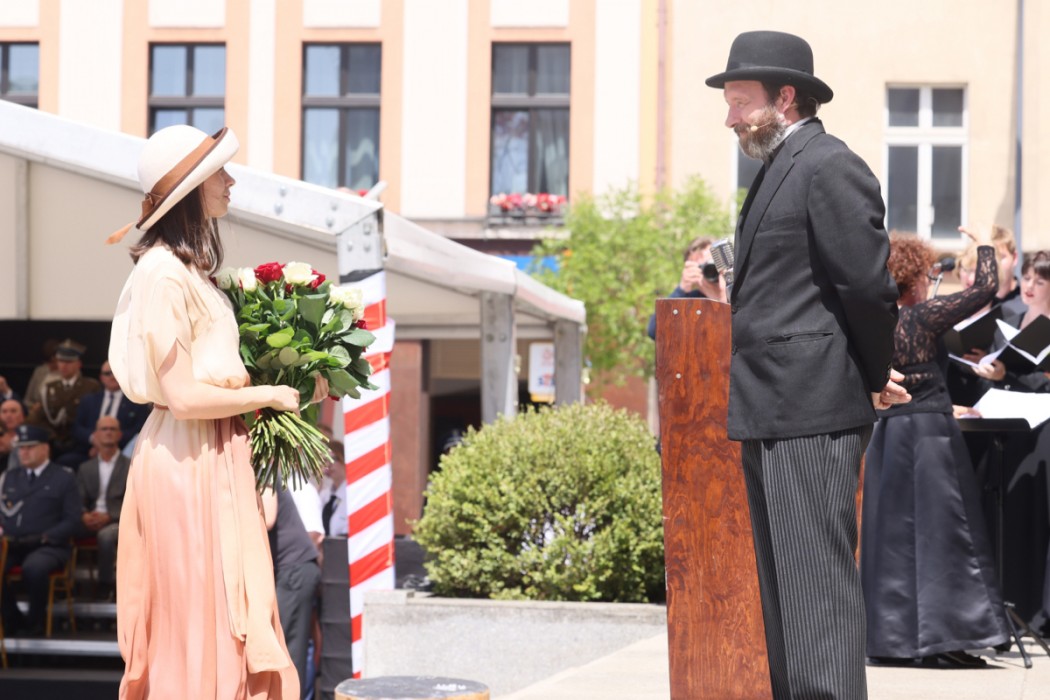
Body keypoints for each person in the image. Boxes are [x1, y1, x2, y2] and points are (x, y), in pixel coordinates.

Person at [705, 31, 906, 699]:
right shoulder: (778, 168)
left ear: (785, 97)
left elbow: (868, 289)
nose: (730, 117)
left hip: (812, 408)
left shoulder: (829, 165)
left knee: (816, 597)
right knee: (787, 601)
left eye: (740, 101)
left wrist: (873, 375)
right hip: (772, 406)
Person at [107, 124, 301, 698]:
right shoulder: (163, 273)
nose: (230, 181)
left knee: (224, 614)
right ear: (192, 190)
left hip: (207, 451)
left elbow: (207, 384)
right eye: (220, 173)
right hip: (187, 458)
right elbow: (186, 397)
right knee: (202, 617)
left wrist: (292, 384)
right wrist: (266, 395)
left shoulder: (185, 271)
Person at [862, 229, 1010, 667]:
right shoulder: (923, 317)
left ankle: (893, 642)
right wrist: (984, 247)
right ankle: (945, 639)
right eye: (927, 275)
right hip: (929, 437)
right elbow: (986, 287)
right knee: (944, 534)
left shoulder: (875, 320)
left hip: (887, 437)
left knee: (892, 541)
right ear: (915, 279)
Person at [0, 424, 81, 637]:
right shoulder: (9, 477)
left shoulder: (63, 477)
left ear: (45, 448)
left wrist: (46, 537)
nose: (24, 452)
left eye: (30, 447)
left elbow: (73, 520)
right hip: (12, 543)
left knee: (34, 568)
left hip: (48, 545)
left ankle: (36, 622)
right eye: (21, 447)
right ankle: (12, 619)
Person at [263, 483, 323, 700]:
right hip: (290, 570)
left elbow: (268, 518)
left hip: (295, 571)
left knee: (289, 652)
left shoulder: (263, 473)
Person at [76, 415, 130, 601]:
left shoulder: (131, 465)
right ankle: (67, 585)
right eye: (104, 429)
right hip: (90, 518)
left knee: (106, 536)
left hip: (118, 520)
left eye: (112, 429)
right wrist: (84, 514)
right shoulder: (85, 467)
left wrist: (109, 516)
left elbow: (134, 501)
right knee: (65, 528)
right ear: (96, 434)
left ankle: (105, 585)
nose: (108, 432)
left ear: (120, 435)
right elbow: (78, 498)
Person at [27, 339, 101, 467]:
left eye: (69, 362)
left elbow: (95, 417)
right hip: (54, 442)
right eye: (61, 361)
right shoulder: (49, 388)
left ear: (78, 364)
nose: (64, 366)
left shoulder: (90, 386)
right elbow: (40, 417)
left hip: (81, 444)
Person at [646, 236, 726, 339]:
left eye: (711, 263)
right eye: (700, 267)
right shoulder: (690, 303)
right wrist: (682, 289)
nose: (709, 270)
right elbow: (654, 331)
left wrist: (723, 299)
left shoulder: (739, 292)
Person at [72, 361, 150, 457]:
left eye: (115, 373)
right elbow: (77, 427)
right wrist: (94, 439)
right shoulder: (88, 400)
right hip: (89, 450)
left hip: (124, 452)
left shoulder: (136, 401)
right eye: (107, 373)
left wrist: (111, 441)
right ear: (101, 377)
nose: (112, 377)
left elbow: (139, 429)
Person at [0, 398, 27, 473]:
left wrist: (12, 446)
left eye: (13, 411)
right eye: (4, 412)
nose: (8, 415)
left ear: (22, 416)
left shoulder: (29, 438)